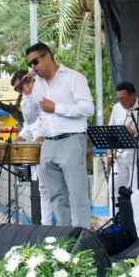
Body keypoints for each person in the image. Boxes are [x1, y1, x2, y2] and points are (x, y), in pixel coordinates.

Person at [21, 42, 94, 228]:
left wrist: (56, 108)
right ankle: (64, 239)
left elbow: (88, 108)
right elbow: (29, 119)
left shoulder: (73, 78)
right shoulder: (37, 85)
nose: (33, 67)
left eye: (35, 61)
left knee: (77, 194)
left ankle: (81, 238)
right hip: (48, 143)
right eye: (30, 64)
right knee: (56, 195)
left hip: (71, 139)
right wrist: (28, 94)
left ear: (47, 56)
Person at [11, 70, 53, 225]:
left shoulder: (43, 90)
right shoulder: (26, 99)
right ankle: (46, 224)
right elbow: (30, 123)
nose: (20, 92)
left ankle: (65, 225)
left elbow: (46, 117)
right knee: (43, 189)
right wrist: (18, 140)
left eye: (19, 87)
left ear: (27, 81)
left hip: (53, 143)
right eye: (17, 89)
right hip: (39, 148)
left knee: (59, 188)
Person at [107, 81, 139, 192]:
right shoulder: (117, 108)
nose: (121, 102)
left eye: (123, 99)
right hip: (119, 155)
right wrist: (109, 152)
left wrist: (135, 132)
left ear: (133, 95)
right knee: (114, 189)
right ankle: (116, 210)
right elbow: (111, 131)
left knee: (137, 191)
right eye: (118, 99)